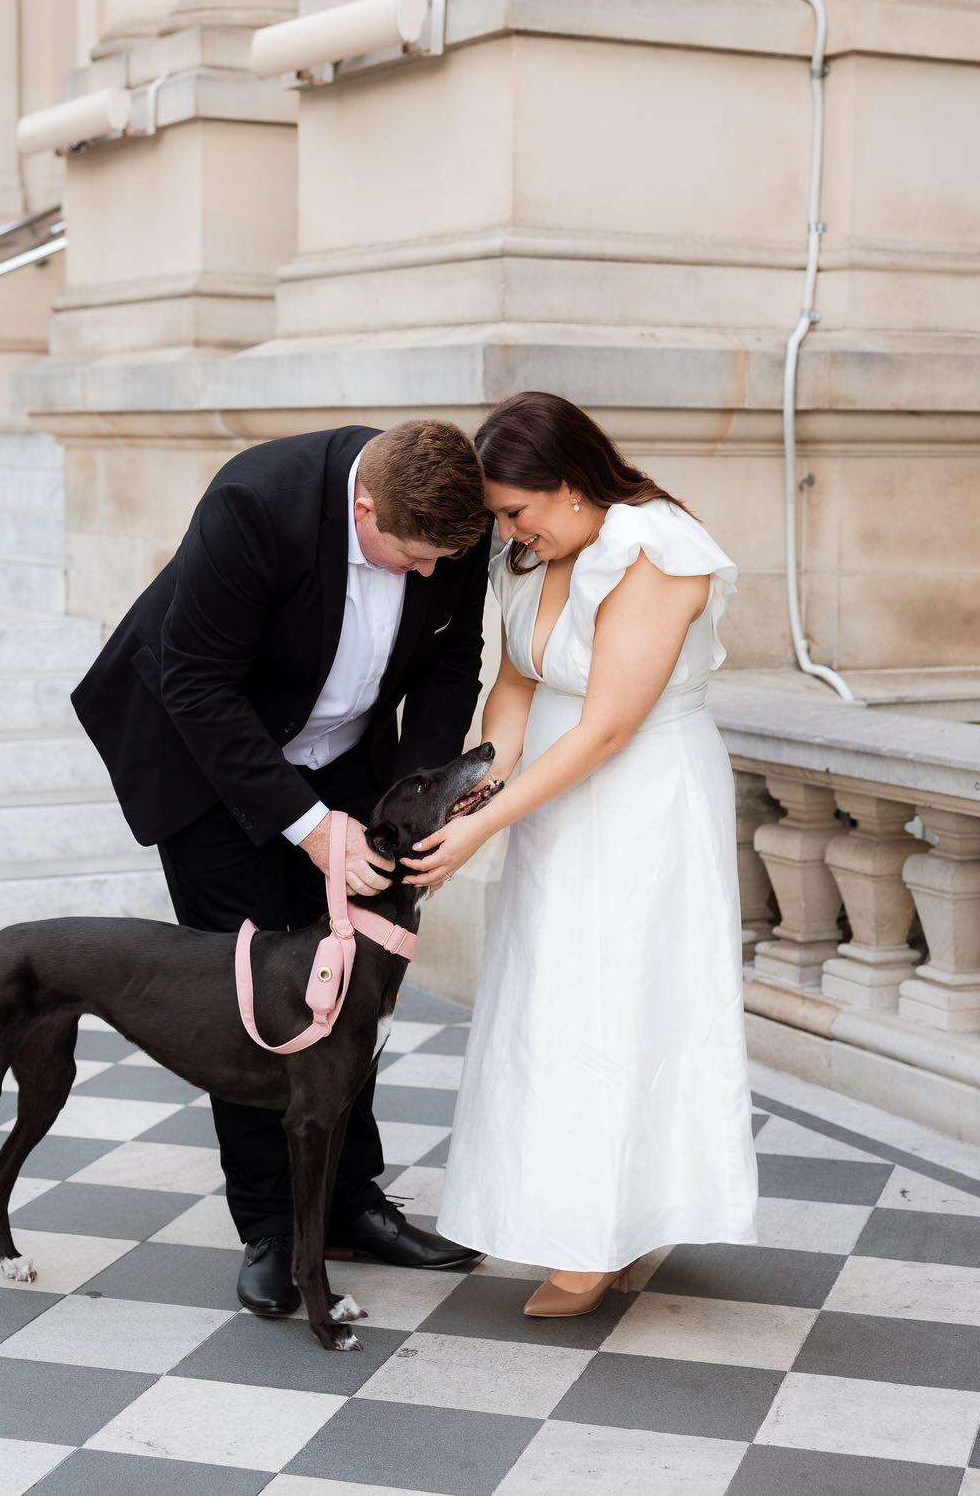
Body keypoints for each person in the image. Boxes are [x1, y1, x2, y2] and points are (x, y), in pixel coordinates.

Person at [70, 420, 491, 1315]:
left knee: (352, 988)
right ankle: (270, 1225)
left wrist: (416, 801)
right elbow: (195, 681)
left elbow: (453, 666)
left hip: (344, 758)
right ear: (364, 506)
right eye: (411, 556)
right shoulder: (255, 504)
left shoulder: (451, 520)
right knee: (257, 998)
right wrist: (305, 826)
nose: (428, 574)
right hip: (206, 759)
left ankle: (352, 1202)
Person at [407, 391, 760, 1318]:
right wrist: (491, 777)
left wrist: (482, 828)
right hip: (553, 795)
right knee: (547, 997)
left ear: (568, 486)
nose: (508, 531)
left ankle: (606, 1230)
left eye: (517, 511)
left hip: (640, 795)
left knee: (621, 1001)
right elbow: (518, 678)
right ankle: (575, 1212)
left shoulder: (655, 549)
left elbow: (607, 727)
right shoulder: (534, 550)